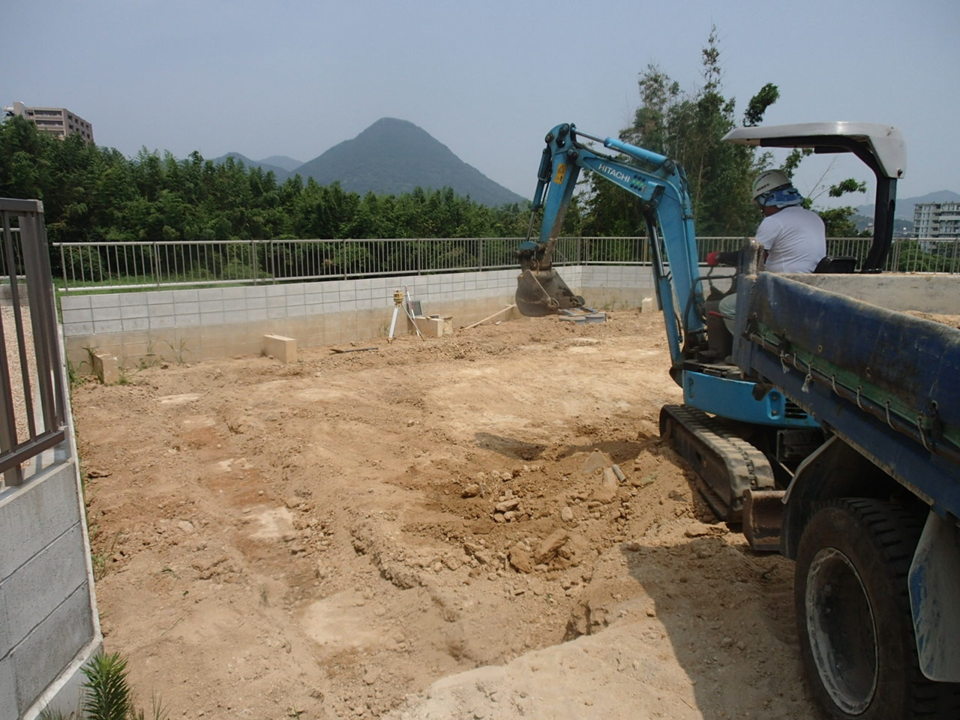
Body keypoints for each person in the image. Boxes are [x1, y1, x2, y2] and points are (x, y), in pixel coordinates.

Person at [712, 169, 826, 332]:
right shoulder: (814, 217)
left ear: (769, 198)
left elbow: (751, 258)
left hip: (782, 290)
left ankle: (744, 349)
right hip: (810, 289)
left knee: (728, 306)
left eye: (761, 205)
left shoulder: (774, 221)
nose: (762, 210)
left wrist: (719, 256)